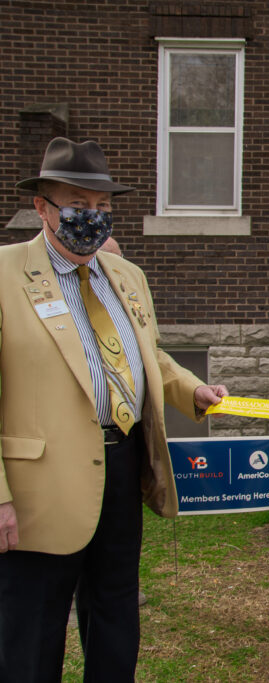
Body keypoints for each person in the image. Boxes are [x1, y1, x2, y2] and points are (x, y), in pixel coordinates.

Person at [0, 137, 229, 681]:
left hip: (123, 468)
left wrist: (189, 389)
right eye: (78, 205)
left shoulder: (126, 277)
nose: (93, 218)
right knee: (31, 632)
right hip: (38, 489)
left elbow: (145, 354)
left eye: (103, 207)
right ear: (42, 207)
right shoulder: (7, 274)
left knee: (115, 618)